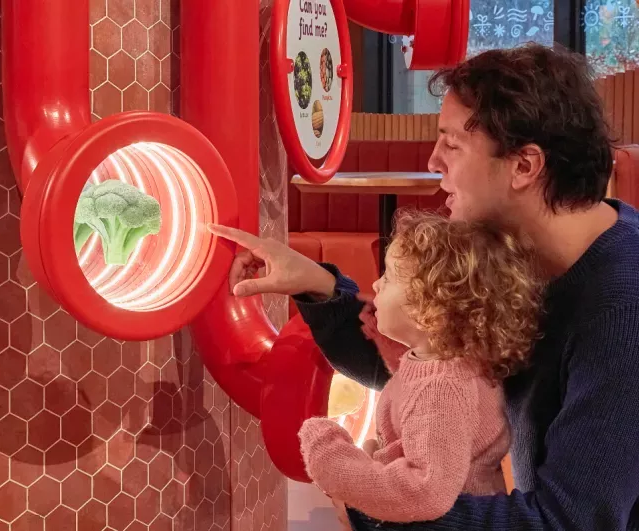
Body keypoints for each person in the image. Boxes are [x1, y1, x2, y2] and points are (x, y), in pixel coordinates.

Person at [210, 43, 639, 530]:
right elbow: (425, 365)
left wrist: (375, 508)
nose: (433, 161)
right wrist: (315, 285)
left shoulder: (623, 306)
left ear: (525, 166)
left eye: (452, 144)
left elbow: (569, 522)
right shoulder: (518, 252)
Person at [297, 210, 542, 523]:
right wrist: (391, 346)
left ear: (432, 305)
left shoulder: (442, 388)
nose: (376, 283)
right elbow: (411, 398)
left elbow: (424, 492)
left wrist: (330, 459)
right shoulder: (448, 361)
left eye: (388, 278)